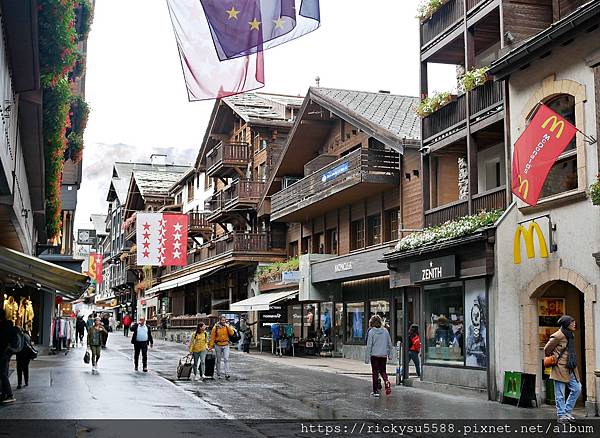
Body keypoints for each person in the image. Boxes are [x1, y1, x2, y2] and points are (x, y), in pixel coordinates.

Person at [544, 315, 581, 424]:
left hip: (571, 366)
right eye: (572, 322)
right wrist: (554, 357)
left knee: (577, 388)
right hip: (559, 367)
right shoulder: (558, 335)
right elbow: (547, 349)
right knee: (560, 393)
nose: (574, 324)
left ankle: (567, 411)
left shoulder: (571, 334)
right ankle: (561, 415)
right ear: (566, 324)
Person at [364, 315, 393, 397]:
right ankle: (386, 381)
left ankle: (375, 391)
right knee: (383, 371)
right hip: (383, 355)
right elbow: (389, 344)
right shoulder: (385, 331)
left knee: (375, 373)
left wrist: (366, 358)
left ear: (371, 323)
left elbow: (369, 346)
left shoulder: (371, 332)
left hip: (374, 356)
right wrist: (390, 355)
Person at [0, 310, 16, 404]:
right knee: (3, 373)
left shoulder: (2, 327)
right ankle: (4, 393)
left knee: (3, 374)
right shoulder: (9, 325)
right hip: (7, 353)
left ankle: (9, 394)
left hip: (3, 353)